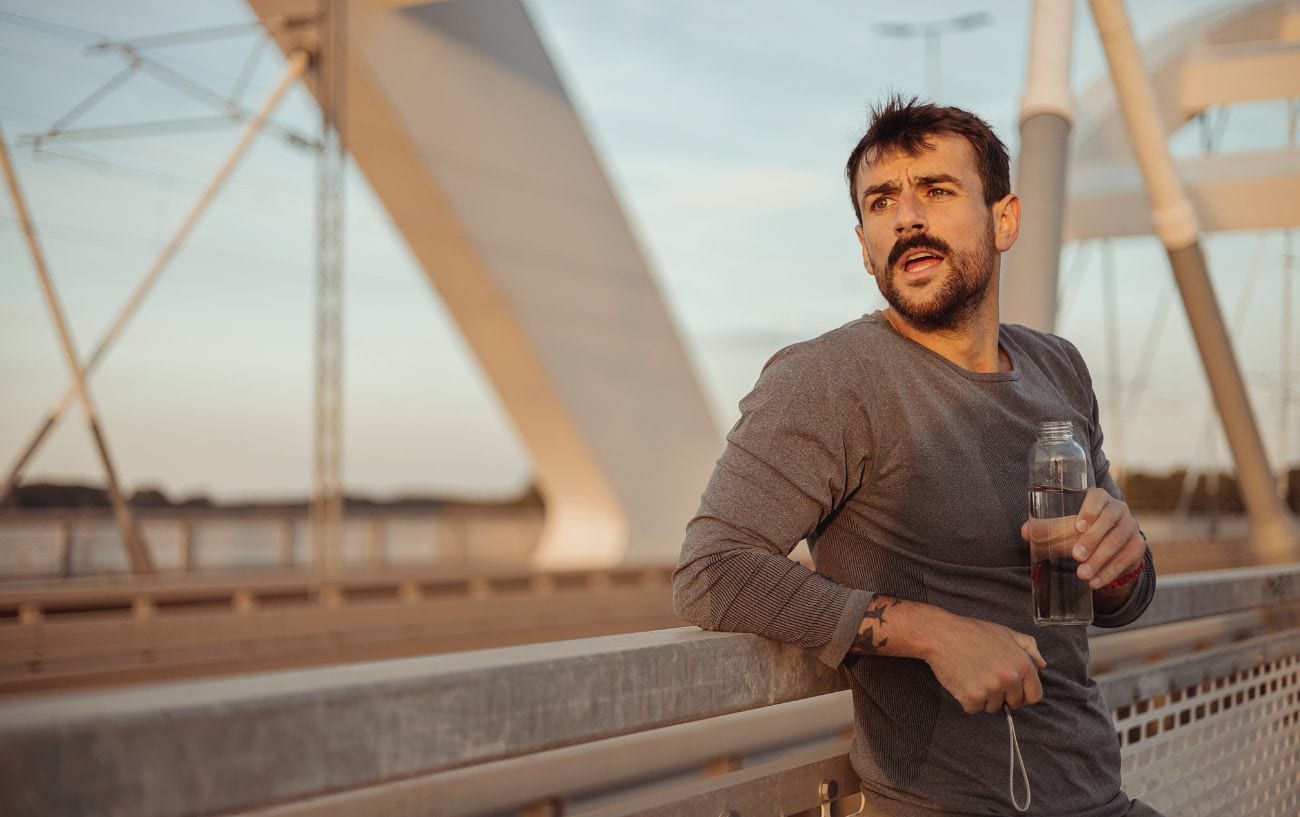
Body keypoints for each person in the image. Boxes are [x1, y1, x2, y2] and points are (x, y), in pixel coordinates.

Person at [672, 96, 1160, 817]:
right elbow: (712, 570)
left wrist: (1123, 567)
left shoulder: (1059, 368)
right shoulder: (830, 377)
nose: (906, 217)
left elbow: (1121, 597)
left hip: (1098, 792)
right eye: (882, 202)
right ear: (865, 243)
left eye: (935, 190)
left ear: (1005, 219)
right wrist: (930, 632)